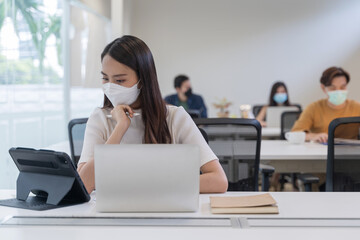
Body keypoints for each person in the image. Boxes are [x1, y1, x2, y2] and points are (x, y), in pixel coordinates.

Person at [77, 35, 228, 194]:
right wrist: (120, 128)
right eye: (105, 78)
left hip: (166, 213)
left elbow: (218, 180)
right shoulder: (99, 118)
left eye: (120, 80)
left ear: (142, 80)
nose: (110, 87)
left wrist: (147, 187)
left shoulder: (175, 117)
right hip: (115, 215)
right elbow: (84, 185)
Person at [292, 66, 360, 143]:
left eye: (342, 87)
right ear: (323, 88)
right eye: (333, 88)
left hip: (351, 152)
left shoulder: (357, 107)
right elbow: (295, 133)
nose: (338, 91)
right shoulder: (313, 108)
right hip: (320, 152)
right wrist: (314, 136)